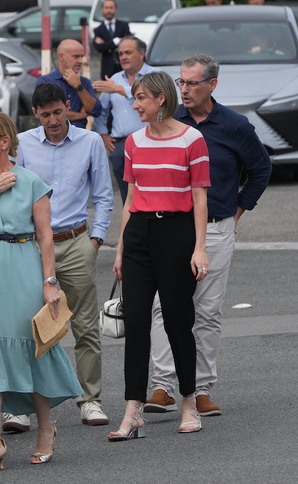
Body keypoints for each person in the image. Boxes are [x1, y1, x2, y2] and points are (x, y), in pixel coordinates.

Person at [0, 112, 82, 472]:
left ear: (4, 142)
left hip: (23, 268)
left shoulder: (30, 182)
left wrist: (50, 282)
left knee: (32, 350)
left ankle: (45, 429)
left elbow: (45, 236)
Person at [144, 55, 271, 416]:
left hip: (216, 227)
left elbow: (261, 168)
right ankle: (163, 386)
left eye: (191, 83)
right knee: (161, 306)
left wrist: (239, 209)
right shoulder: (167, 123)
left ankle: (200, 389)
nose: (183, 90)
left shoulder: (235, 126)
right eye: (180, 82)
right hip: (171, 226)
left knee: (207, 311)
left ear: (211, 85)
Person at [108, 71, 210, 442]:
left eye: (140, 98)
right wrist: (119, 249)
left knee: (178, 321)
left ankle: (188, 402)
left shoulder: (192, 139)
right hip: (138, 234)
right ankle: (132, 410)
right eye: (134, 98)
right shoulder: (133, 142)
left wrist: (199, 247)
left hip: (177, 233)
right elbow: (130, 200)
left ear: (161, 99)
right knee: (135, 321)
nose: (134, 105)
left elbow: (200, 197)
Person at [8, 82, 114, 431]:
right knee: (26, 325)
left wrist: (95, 240)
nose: (53, 120)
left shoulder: (91, 142)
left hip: (75, 241)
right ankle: (20, 406)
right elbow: (15, 192)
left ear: (67, 105)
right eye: (45, 115)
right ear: (35, 114)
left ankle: (91, 399)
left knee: (84, 326)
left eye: (58, 112)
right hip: (34, 244)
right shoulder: (22, 143)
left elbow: (103, 194)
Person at [93, 36, 158, 203]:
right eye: (120, 53)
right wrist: (102, 133)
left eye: (128, 52)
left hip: (150, 143)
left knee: (151, 193)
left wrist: (118, 89)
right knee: (127, 198)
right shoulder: (114, 79)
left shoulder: (155, 75)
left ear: (142, 54)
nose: (123, 57)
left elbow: (149, 97)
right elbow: (102, 111)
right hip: (120, 146)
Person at [35, 39, 101, 129]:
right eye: (76, 56)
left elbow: (95, 111)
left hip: (79, 137)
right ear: (61, 56)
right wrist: (81, 115)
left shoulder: (84, 82)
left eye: (81, 56)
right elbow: (47, 113)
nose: (81, 61)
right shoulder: (45, 81)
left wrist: (78, 86)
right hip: (53, 138)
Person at [92, 0, 132, 80]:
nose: (109, 10)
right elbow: (99, 48)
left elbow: (128, 41)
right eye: (106, 8)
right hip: (107, 69)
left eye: (111, 7)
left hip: (123, 67)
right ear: (102, 10)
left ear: (116, 10)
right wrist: (116, 40)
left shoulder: (123, 26)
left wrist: (106, 44)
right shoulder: (99, 30)